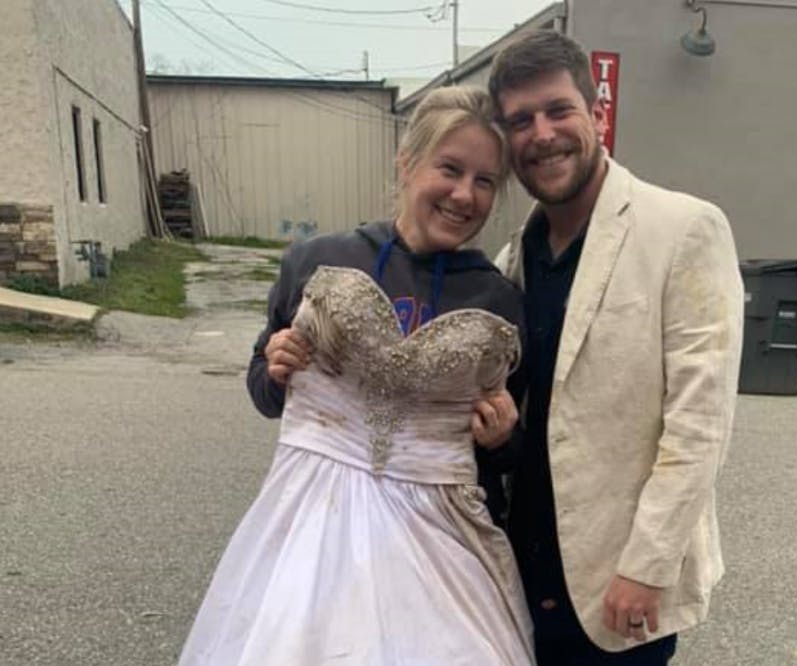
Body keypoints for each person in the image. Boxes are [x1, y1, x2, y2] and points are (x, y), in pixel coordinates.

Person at [178, 86, 535, 666]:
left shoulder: (498, 300)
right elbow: (266, 391)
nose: (464, 194)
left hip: (440, 541)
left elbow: (506, 449)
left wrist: (501, 439)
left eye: (485, 180)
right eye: (449, 168)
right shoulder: (319, 260)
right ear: (406, 162)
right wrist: (275, 369)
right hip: (311, 527)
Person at [489, 30, 744, 665]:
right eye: (521, 120)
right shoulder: (511, 260)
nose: (541, 134)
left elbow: (699, 425)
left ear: (597, 114)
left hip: (617, 589)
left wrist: (648, 568)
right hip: (517, 573)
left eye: (558, 110)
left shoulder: (684, 228)